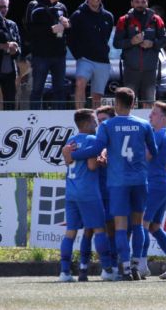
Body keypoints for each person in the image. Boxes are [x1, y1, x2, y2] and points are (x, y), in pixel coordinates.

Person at [64, 87, 157, 281]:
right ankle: (135, 266)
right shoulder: (143, 125)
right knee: (138, 224)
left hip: (118, 182)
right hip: (140, 180)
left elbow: (96, 149)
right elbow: (154, 151)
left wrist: (73, 155)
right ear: (133, 104)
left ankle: (123, 267)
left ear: (116, 103)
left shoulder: (107, 126)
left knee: (121, 226)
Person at [58, 109, 114, 282]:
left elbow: (68, 160)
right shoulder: (92, 140)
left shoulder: (70, 141)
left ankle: (64, 272)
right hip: (89, 192)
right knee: (99, 230)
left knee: (71, 232)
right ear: (88, 123)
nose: (97, 124)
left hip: (71, 192)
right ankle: (107, 270)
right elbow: (91, 166)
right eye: (94, 121)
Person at [139, 101, 166, 279]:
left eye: (153, 113)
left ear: (163, 118)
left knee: (143, 225)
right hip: (165, 184)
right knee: (154, 226)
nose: (149, 116)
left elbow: (147, 156)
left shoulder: (157, 134)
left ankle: (141, 265)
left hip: (154, 184)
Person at [114, 0, 166, 108]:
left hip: (150, 71)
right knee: (129, 105)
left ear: (147, 3)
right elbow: (116, 43)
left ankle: (147, 127)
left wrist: (152, 44)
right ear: (132, 3)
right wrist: (131, 42)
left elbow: (164, 40)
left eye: (143, 2)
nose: (140, 4)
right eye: (137, 2)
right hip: (130, 70)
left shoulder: (156, 20)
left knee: (149, 105)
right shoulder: (124, 20)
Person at [69, 0, 114, 109]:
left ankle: (96, 120)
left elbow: (106, 38)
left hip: (103, 61)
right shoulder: (78, 15)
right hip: (85, 59)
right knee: (80, 83)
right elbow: (70, 38)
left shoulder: (108, 17)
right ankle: (80, 114)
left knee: (97, 96)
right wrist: (78, 55)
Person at [28, 0, 70, 110]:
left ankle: (60, 118)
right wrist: (50, 29)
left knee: (60, 90)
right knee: (37, 89)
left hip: (59, 55)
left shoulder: (61, 7)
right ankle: (34, 118)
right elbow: (29, 29)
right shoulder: (34, 6)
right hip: (41, 56)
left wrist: (67, 25)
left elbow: (68, 29)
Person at [0, 0, 21, 110]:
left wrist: (11, 49)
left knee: (10, 103)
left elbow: (18, 47)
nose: (3, 10)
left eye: (5, 7)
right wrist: (6, 46)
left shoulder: (12, 25)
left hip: (9, 70)